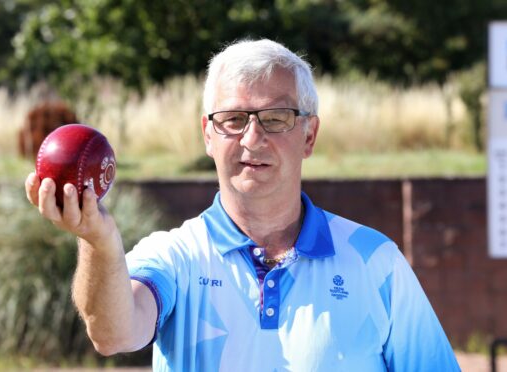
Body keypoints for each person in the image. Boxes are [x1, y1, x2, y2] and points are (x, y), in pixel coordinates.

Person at [25, 39, 460, 371]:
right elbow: (113, 333)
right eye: (233, 119)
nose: (252, 139)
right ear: (207, 135)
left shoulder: (376, 262)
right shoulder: (175, 256)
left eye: (275, 118)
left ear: (309, 136)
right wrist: (99, 242)